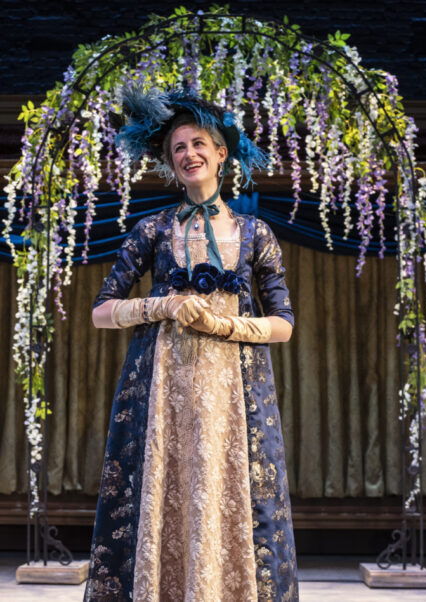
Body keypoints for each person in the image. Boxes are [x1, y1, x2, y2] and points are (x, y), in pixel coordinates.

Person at [84, 86, 299, 601]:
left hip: (232, 398)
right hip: (164, 396)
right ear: (170, 162)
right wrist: (162, 306)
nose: (189, 155)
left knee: (232, 497)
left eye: (199, 143)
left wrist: (227, 327)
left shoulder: (254, 233)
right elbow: (100, 311)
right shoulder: (153, 230)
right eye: (178, 148)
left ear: (222, 153)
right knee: (166, 494)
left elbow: (284, 323)